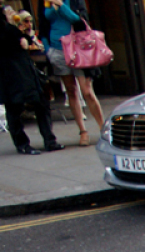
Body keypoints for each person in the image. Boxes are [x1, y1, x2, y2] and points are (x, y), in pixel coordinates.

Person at [41, 0, 104, 147]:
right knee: (71, 90)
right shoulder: (44, 2)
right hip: (57, 49)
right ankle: (83, 131)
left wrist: (60, 5)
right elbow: (44, 25)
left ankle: (103, 128)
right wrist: (47, 49)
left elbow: (79, 20)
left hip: (78, 48)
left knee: (87, 91)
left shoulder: (74, 1)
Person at [1, 3, 61, 153]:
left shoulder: (11, 28)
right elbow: (23, 44)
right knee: (16, 108)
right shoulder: (7, 28)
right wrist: (14, 27)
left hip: (22, 71)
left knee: (38, 102)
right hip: (13, 72)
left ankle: (47, 140)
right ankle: (26, 144)